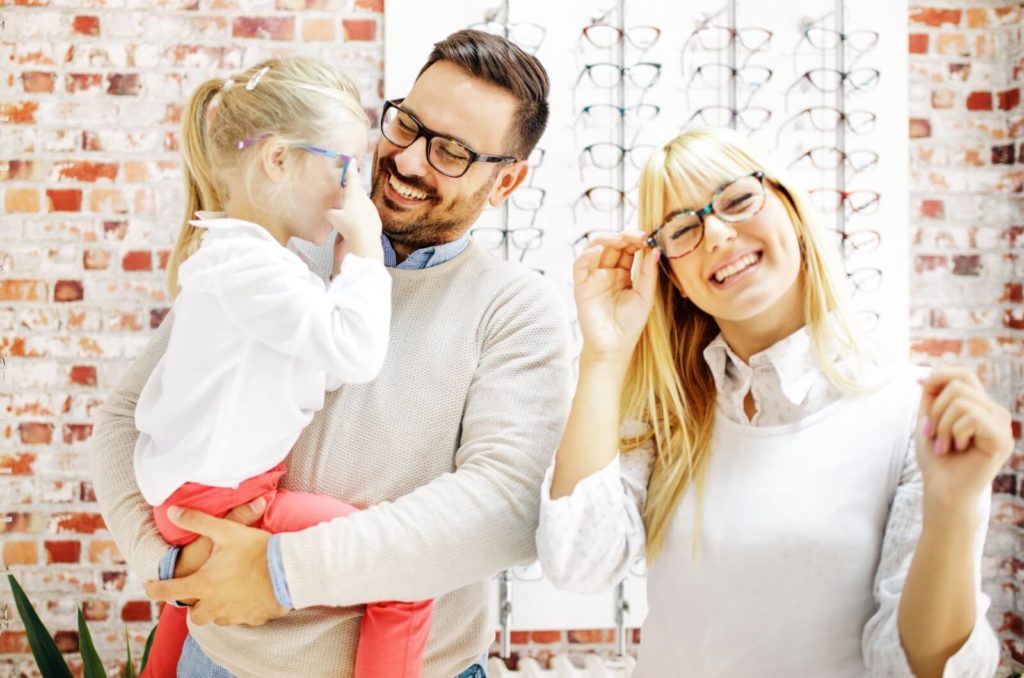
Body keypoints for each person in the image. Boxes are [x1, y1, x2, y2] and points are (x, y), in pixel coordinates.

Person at [90, 30, 569, 678]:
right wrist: (169, 561)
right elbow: (128, 418)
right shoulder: (283, 244)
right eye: (406, 125)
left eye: (451, 152)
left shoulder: (516, 311)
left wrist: (278, 575)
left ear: (507, 180)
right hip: (222, 659)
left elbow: (501, 511)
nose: (408, 160)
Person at [537, 127, 1008, 677]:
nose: (715, 233)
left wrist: (954, 508)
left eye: (737, 200)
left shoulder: (908, 414)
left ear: (793, 214)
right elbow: (578, 564)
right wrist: (604, 353)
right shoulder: (674, 412)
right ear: (677, 281)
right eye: (683, 229)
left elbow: (917, 669)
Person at [130, 56, 439, 678]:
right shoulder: (252, 271)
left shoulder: (244, 263)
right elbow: (356, 354)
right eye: (344, 167)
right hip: (223, 496)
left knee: (185, 603)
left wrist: (344, 268)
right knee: (405, 577)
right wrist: (364, 259)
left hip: (200, 493)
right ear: (277, 160)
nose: (352, 190)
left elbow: (318, 369)